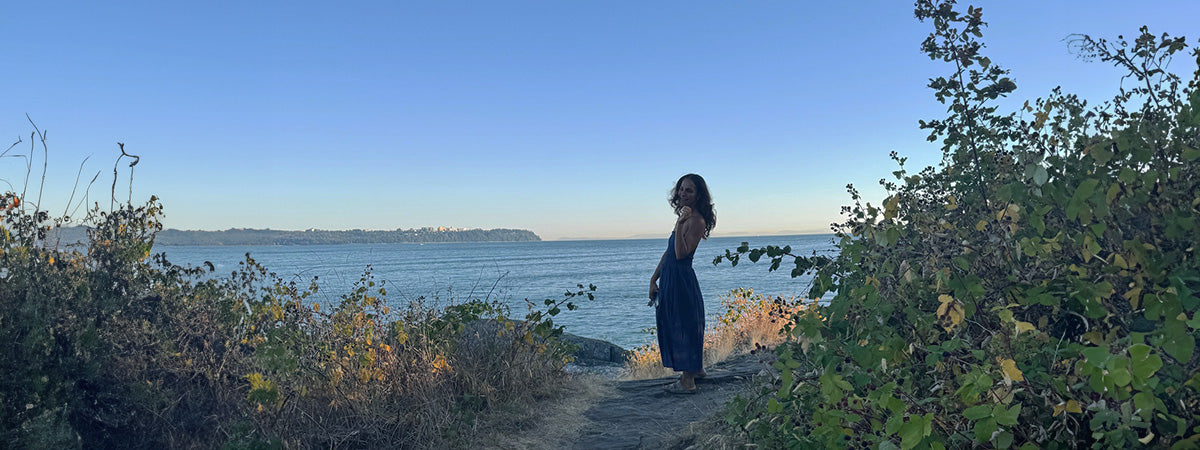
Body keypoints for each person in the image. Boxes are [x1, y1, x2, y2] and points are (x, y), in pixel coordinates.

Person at [649, 173, 715, 393]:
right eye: (681, 189)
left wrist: (680, 224)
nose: (683, 194)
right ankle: (695, 370)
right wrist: (653, 279)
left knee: (684, 324)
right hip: (670, 278)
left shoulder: (696, 221)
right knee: (676, 322)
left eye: (689, 190)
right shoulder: (686, 218)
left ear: (698, 195)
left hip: (681, 280)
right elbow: (668, 252)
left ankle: (688, 381)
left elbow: (679, 254)